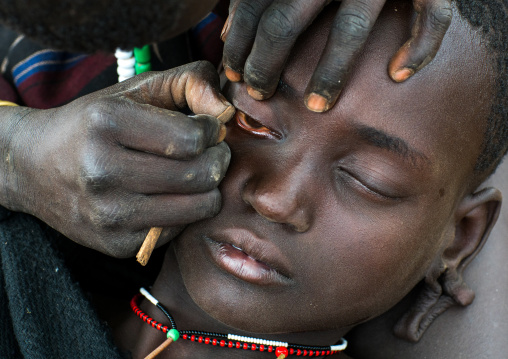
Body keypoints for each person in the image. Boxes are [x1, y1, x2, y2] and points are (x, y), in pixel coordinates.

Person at [111, 1, 506, 358]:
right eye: (254, 121)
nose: (274, 200)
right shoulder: (52, 286)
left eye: (368, 180)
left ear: (461, 236)